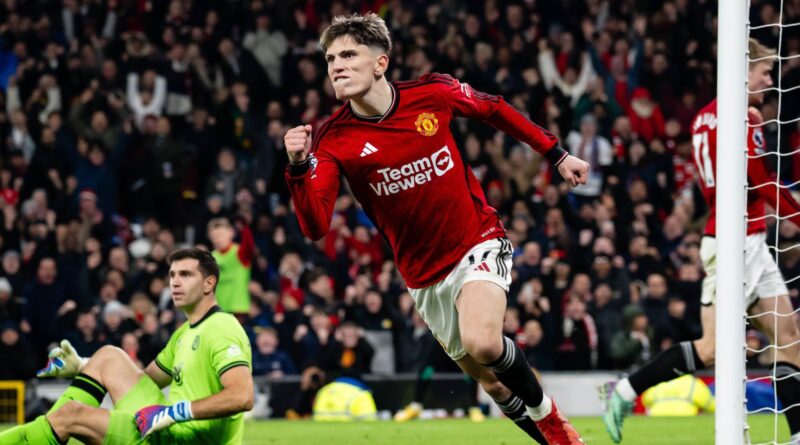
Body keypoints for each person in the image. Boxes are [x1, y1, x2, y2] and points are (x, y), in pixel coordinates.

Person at [284, 13, 589, 444]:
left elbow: (494, 109)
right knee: (493, 383)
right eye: (331, 58)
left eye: (349, 54)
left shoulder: (431, 93)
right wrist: (298, 168)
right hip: (423, 276)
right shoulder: (333, 139)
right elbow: (315, 226)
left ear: (380, 62)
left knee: (484, 341)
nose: (336, 65)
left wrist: (556, 153)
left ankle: (553, 422)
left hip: (477, 240)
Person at [602, 38, 800, 444]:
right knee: (712, 348)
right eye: (765, 73)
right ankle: (626, 390)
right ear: (743, 70)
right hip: (736, 244)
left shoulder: (702, 119)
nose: (769, 81)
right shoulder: (745, 115)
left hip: (741, 238)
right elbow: (758, 178)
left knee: (789, 339)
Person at [0, 248, 254, 444]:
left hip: (184, 439)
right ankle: (43, 432)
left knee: (71, 414)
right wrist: (82, 366)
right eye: (172, 275)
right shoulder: (183, 333)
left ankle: (35, 434)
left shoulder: (222, 328)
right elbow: (145, 379)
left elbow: (242, 396)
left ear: (209, 283)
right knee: (110, 356)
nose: (175, 282)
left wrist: (174, 413)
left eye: (185, 275)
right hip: (169, 431)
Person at [208, 217, 255, 316]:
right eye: (215, 235)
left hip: (238, 309)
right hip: (217, 309)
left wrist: (244, 228)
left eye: (222, 234)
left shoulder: (240, 253)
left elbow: (249, 246)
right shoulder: (210, 257)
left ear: (231, 233)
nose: (218, 238)